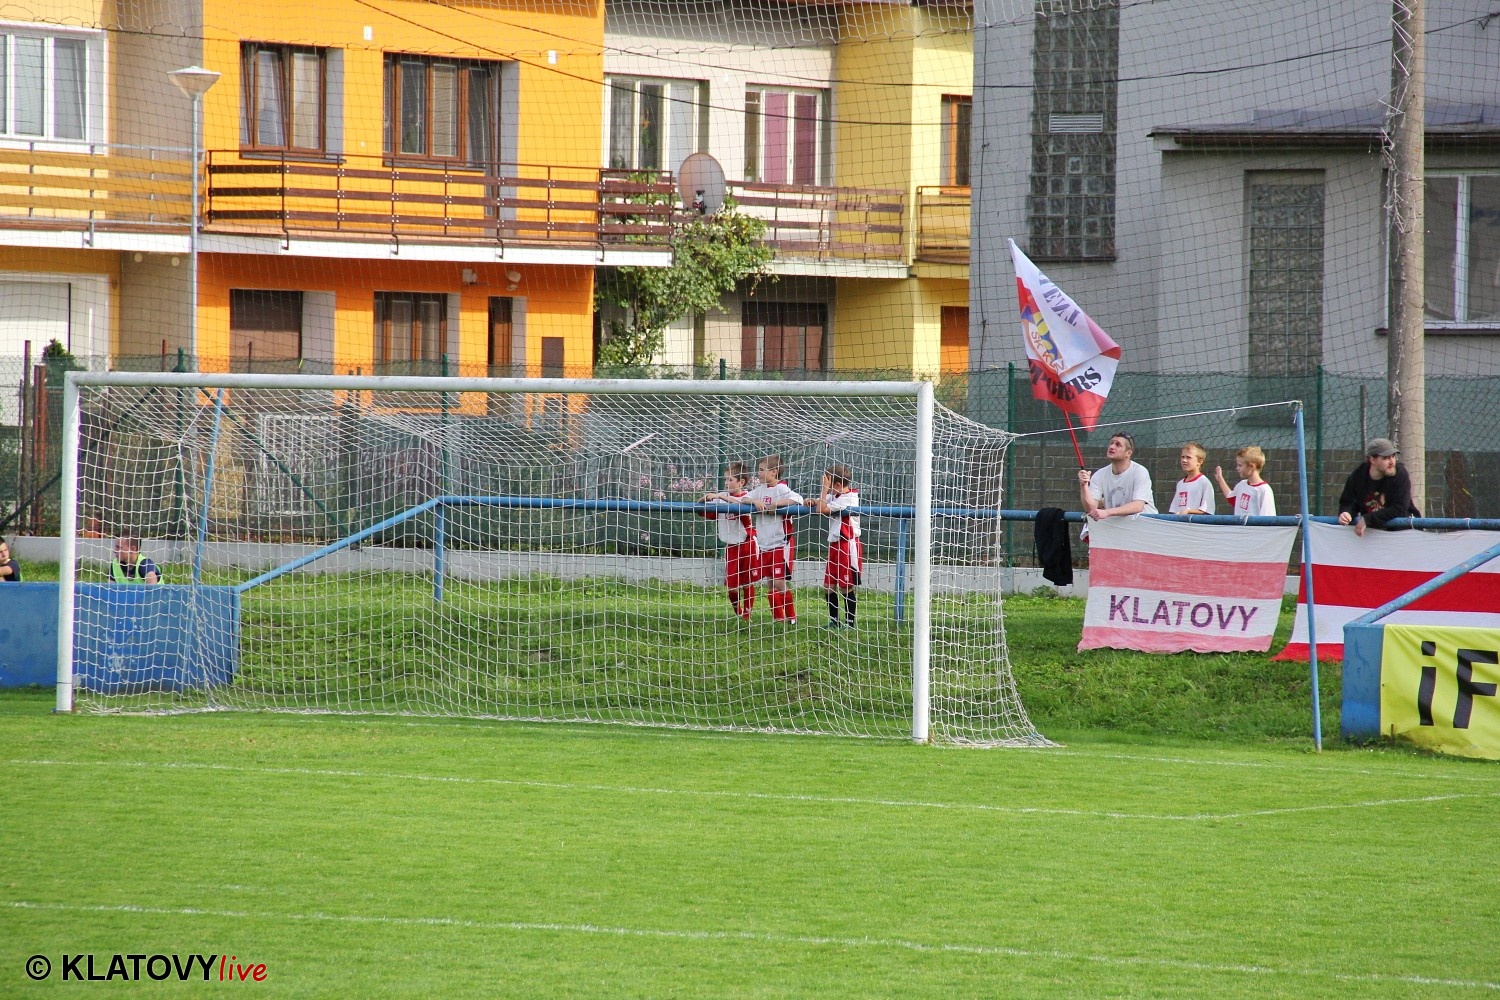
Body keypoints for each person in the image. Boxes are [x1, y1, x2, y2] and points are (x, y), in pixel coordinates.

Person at [747, 454, 803, 624]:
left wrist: (777, 504)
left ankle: (792, 617)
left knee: (779, 582)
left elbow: (798, 499)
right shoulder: (760, 490)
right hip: (764, 544)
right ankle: (779, 619)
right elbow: (743, 498)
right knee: (770, 583)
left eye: (762, 470)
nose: (758, 473)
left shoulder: (781, 489)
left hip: (780, 543)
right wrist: (754, 501)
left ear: (774, 472)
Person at [700, 462, 757, 620]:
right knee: (732, 587)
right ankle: (738, 613)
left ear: (741, 482)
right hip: (731, 547)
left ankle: (747, 616)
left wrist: (720, 496)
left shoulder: (747, 497)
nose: (726, 483)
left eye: (730, 479)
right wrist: (703, 499)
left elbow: (739, 504)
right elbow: (703, 510)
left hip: (747, 545)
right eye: (725, 479)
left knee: (747, 582)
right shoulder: (720, 498)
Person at [1078, 431, 1156, 538]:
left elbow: (1138, 506)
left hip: (1145, 530)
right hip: (1118, 531)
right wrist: (1084, 486)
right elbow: (1091, 508)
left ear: (1128, 453)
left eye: (1118, 444)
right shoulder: (1100, 474)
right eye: (1111, 443)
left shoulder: (1140, 471)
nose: (1112, 447)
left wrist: (1107, 512)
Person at [1337, 437, 1420, 536]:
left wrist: (1367, 519)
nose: (1392, 462)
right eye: (1386, 458)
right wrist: (1346, 513)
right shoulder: (1359, 476)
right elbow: (1348, 501)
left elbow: (1400, 508)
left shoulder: (1400, 474)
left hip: (1403, 533)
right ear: (1372, 460)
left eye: (1393, 456)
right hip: (1372, 535)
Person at [813, 464, 861, 629]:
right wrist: (811, 501)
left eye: (829, 484)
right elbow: (819, 503)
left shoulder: (848, 499)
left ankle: (850, 623)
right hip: (835, 545)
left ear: (838, 485)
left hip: (847, 545)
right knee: (829, 586)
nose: (827, 489)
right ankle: (834, 621)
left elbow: (821, 509)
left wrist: (824, 489)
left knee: (845, 586)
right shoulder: (837, 495)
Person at [1214, 445, 1276, 518]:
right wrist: (1220, 479)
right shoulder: (1242, 484)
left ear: (1251, 466)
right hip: (1239, 526)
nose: (1237, 468)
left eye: (1240, 465)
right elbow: (1232, 499)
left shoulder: (1264, 490)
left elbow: (1267, 518)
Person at [1168, 441, 1215, 516]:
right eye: (1182, 457)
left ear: (1200, 461)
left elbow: (1207, 511)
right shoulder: (1180, 484)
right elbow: (1174, 509)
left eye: (1188, 457)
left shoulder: (1204, 483)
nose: (1184, 460)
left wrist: (1188, 511)